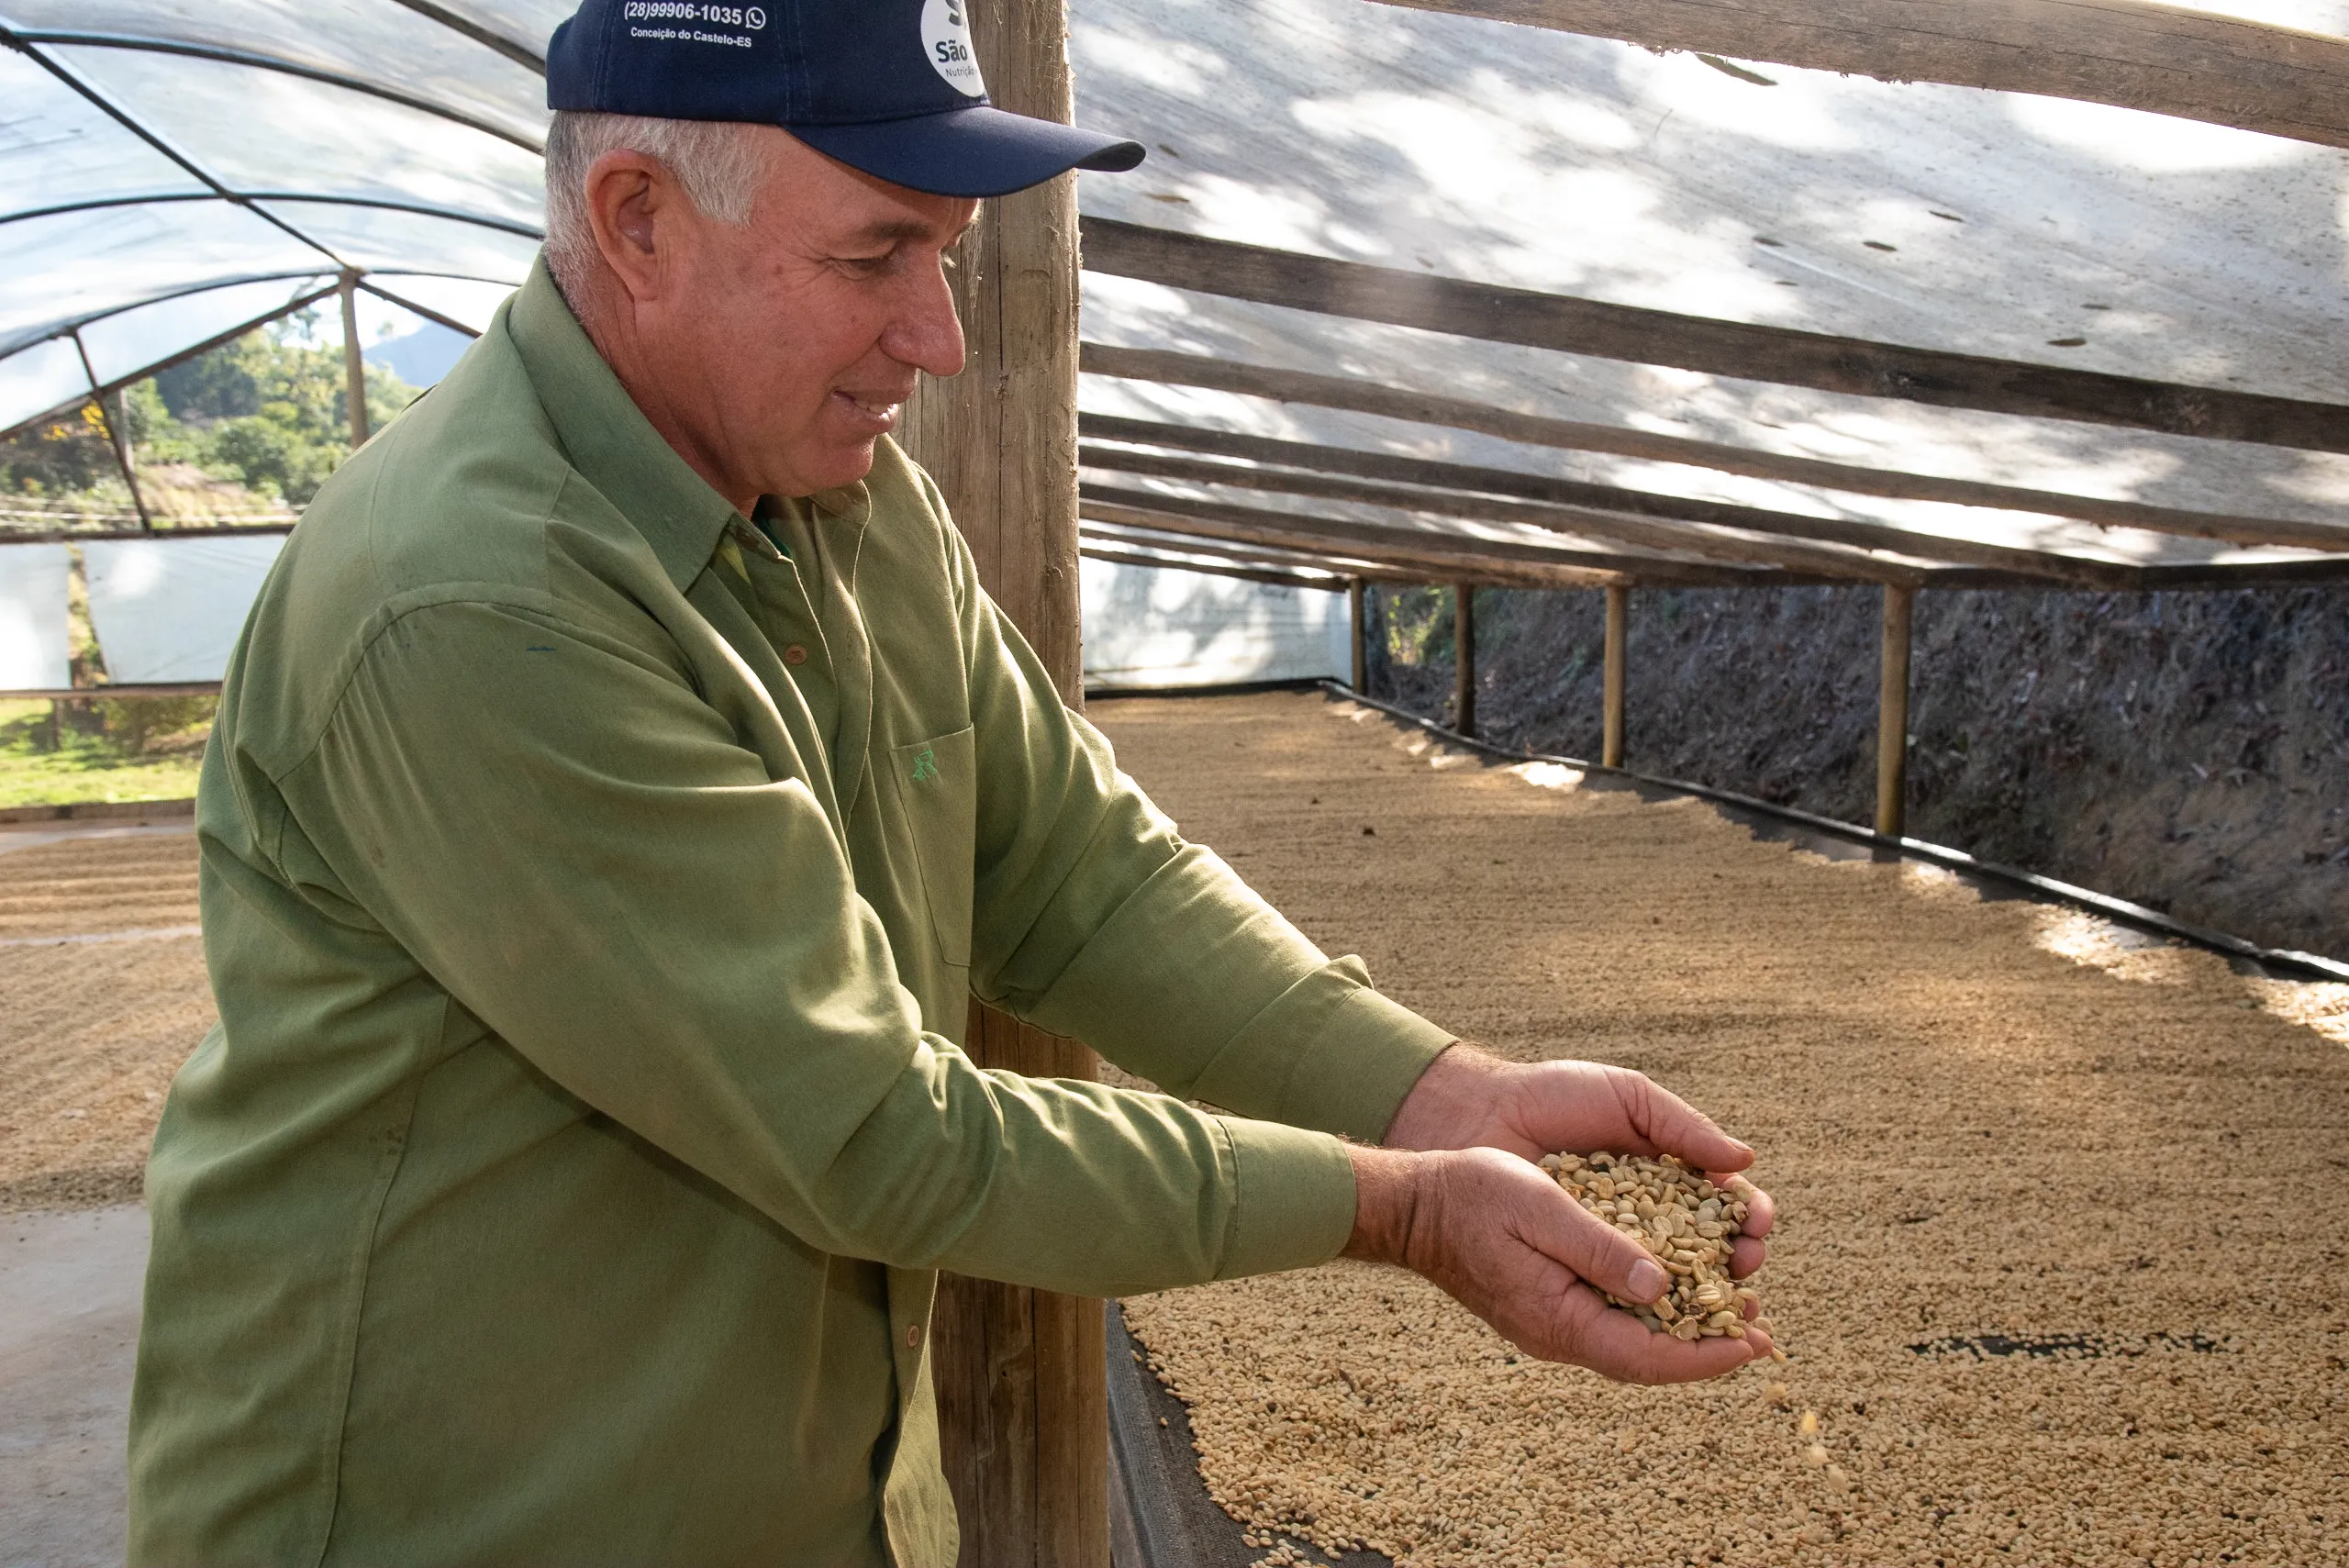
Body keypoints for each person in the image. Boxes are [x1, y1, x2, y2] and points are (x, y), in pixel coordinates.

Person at [127, 1, 1774, 1562]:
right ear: (637, 221)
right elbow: (875, 1133)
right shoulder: (480, 601)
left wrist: (1444, 1097)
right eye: (876, 255)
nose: (940, 336)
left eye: (949, 254)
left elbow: (1073, 871)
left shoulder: (843, 497)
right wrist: (1399, 1210)